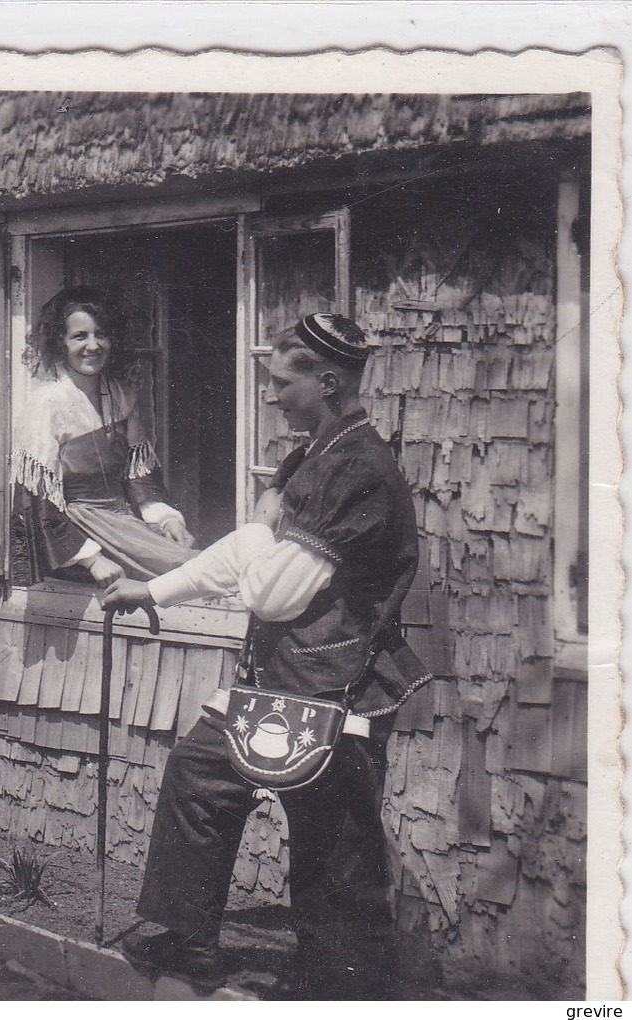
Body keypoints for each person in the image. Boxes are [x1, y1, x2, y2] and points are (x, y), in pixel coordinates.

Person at [102, 313, 429, 997]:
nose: (271, 395)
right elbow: (247, 558)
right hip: (289, 680)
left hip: (335, 685)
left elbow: (273, 594)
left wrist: (258, 524)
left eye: (282, 382)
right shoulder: (316, 451)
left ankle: (345, 989)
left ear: (328, 380)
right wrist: (154, 591)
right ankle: (187, 942)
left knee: (333, 844)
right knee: (202, 774)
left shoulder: (357, 469)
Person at [12, 285, 198, 588]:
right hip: (78, 536)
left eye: (101, 334)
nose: (93, 346)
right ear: (61, 341)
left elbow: (140, 477)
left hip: (122, 522)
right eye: (79, 336)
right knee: (181, 576)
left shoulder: (121, 396)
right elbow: (37, 497)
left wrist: (167, 519)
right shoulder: (46, 405)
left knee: (191, 566)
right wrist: (91, 559)